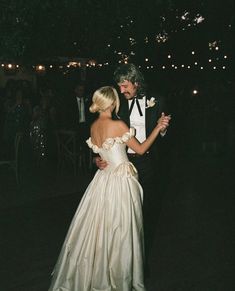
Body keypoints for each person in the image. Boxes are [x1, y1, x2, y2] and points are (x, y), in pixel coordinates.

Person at [48, 86, 170, 291]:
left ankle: (98, 274)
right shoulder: (118, 125)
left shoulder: (94, 126)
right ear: (113, 103)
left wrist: (98, 159)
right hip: (121, 181)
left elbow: (102, 153)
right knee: (121, 230)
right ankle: (116, 277)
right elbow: (140, 150)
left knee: (99, 229)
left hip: (102, 180)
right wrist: (158, 128)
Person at [95, 63, 171, 267]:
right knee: (123, 217)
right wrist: (98, 157)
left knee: (145, 212)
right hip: (122, 163)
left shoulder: (158, 100)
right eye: (119, 86)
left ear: (136, 83)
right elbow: (101, 132)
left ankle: (140, 260)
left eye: (125, 85)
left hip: (147, 163)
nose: (121, 90)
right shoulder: (117, 102)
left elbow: (166, 136)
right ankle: (122, 261)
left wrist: (162, 129)